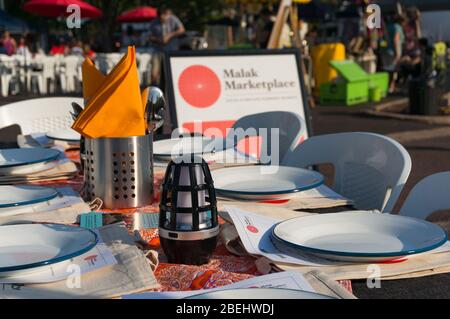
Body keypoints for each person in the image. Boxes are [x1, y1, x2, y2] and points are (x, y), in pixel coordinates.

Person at [149, 6, 185, 84]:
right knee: (154, 73)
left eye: (165, 15)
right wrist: (159, 40)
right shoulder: (154, 23)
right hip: (158, 50)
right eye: (161, 15)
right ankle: (154, 90)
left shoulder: (173, 19)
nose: (163, 17)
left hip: (171, 50)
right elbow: (150, 36)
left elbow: (182, 29)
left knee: (172, 71)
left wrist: (170, 35)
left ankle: (172, 88)